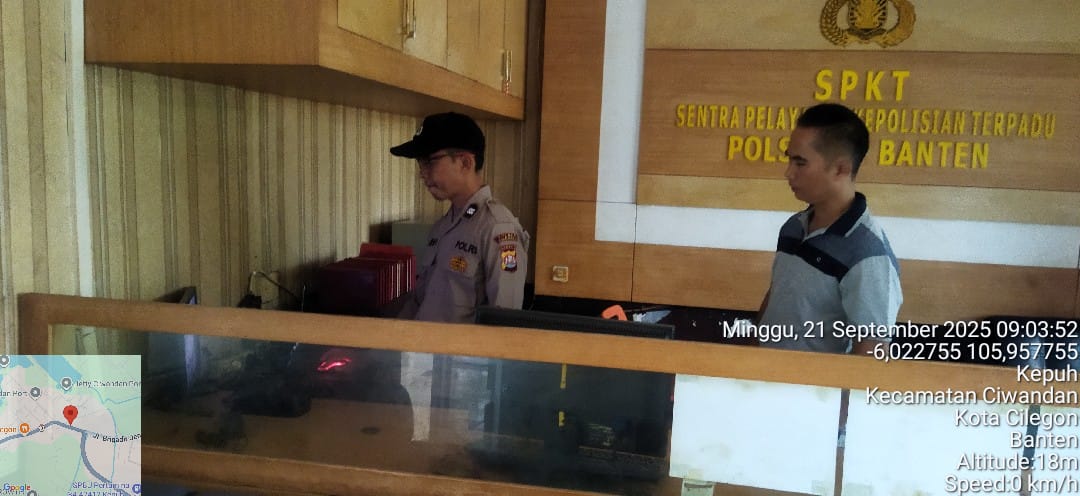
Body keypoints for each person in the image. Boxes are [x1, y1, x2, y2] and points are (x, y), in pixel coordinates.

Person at [758, 103, 902, 354]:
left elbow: (871, 352)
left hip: (811, 381)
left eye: (800, 163)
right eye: (789, 159)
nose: (788, 173)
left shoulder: (868, 255)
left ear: (841, 169)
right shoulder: (794, 226)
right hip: (762, 373)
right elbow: (777, 297)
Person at [390, 112, 529, 323]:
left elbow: (505, 322)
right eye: (420, 163)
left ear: (465, 163)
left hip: (459, 346)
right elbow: (420, 301)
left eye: (429, 162)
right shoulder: (442, 227)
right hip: (421, 342)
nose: (422, 173)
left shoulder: (497, 228)